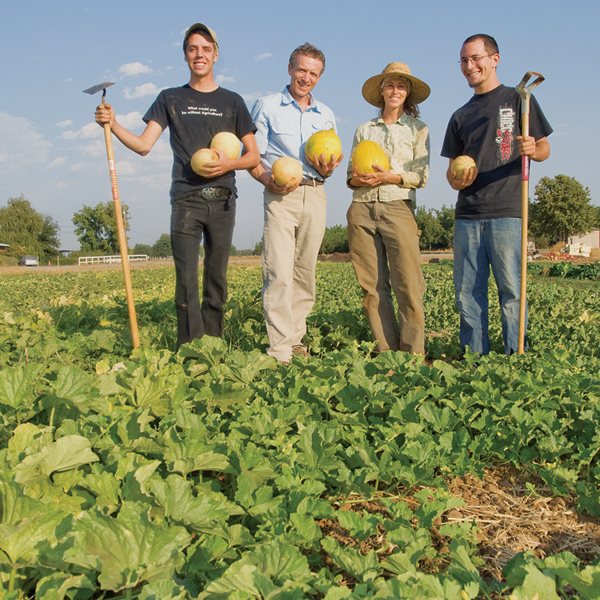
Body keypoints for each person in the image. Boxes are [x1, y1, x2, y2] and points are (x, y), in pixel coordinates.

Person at [95, 23, 259, 349]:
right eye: (193, 49)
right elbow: (144, 145)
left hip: (224, 198)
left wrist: (228, 163)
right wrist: (112, 124)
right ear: (186, 55)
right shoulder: (170, 98)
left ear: (215, 55)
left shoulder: (233, 101)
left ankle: (213, 348)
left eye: (206, 49)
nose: (200, 54)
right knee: (185, 282)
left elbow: (252, 155)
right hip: (186, 199)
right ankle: (189, 350)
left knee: (216, 279)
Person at [441, 34, 552, 356]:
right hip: (468, 216)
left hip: (508, 212)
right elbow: (451, 176)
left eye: (475, 58)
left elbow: (544, 147)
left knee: (512, 292)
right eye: (464, 60)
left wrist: (534, 149)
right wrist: (458, 178)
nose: (469, 66)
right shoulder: (459, 116)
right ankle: (475, 362)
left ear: (494, 59)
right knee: (467, 294)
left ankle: (516, 359)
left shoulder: (519, 100)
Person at [249, 43, 344, 364]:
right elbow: (253, 156)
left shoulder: (326, 114)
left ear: (320, 76)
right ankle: (279, 350)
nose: (306, 78)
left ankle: (295, 341)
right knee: (278, 272)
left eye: (314, 73)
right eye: (301, 70)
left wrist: (329, 170)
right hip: (281, 194)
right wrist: (266, 180)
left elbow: (327, 159)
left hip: (316, 193)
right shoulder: (267, 106)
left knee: (305, 273)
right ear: (290, 69)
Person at [346, 63, 430, 356]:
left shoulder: (418, 129)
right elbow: (350, 176)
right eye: (390, 85)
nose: (396, 91)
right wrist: (362, 178)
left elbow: (421, 175)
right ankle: (387, 353)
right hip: (362, 208)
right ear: (381, 91)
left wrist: (389, 176)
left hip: (398, 207)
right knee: (372, 288)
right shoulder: (364, 129)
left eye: (401, 86)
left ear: (408, 94)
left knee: (408, 284)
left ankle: (413, 356)